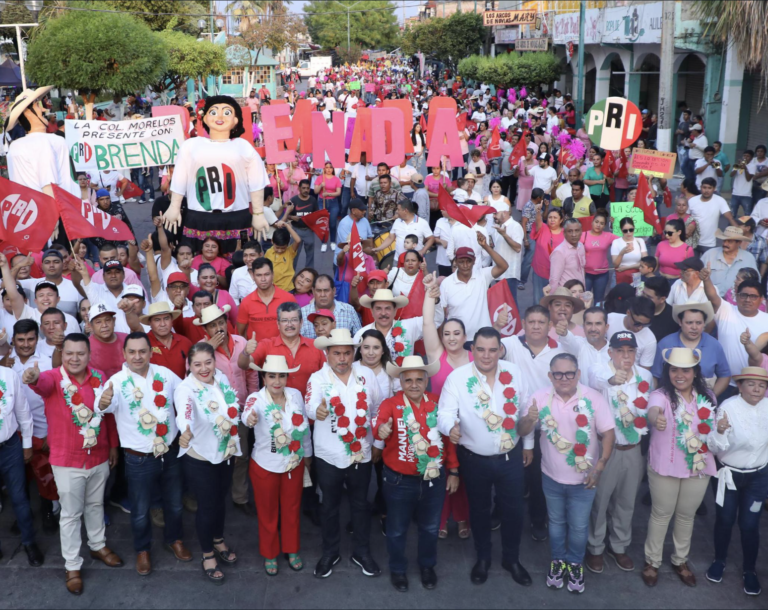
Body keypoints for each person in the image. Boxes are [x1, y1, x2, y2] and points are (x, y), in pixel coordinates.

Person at [26, 333, 122, 595]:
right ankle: (72, 565)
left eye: (81, 353)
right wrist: (33, 378)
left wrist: (113, 445)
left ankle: (98, 545)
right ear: (62, 354)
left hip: (99, 455)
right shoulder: (53, 378)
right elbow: (40, 384)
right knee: (70, 514)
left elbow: (108, 416)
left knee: (95, 504)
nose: (75, 358)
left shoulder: (101, 377)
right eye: (69, 353)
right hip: (67, 459)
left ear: (89, 355)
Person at [437, 327, 532, 586]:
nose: (487, 356)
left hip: (510, 457)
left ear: (501, 350)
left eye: (493, 350)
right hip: (474, 458)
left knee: (513, 512)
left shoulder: (515, 373)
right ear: (472, 350)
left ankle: (511, 559)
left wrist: (529, 445)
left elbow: (527, 410)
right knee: (478, 511)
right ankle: (483, 558)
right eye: (481, 349)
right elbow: (444, 413)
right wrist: (450, 427)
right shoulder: (457, 378)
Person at [520, 353, 615, 593]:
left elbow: (608, 434)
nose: (564, 378)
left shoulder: (593, 398)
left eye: (569, 373)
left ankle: (574, 563)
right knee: (556, 522)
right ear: (550, 376)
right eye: (558, 374)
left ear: (578, 374)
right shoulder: (539, 398)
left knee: (579, 525)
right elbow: (521, 430)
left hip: (585, 479)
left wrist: (600, 467)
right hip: (551, 475)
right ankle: (558, 561)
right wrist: (529, 421)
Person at [95, 332, 189, 575]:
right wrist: (103, 402)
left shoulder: (165, 375)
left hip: (170, 452)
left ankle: (174, 539)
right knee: (139, 511)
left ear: (150, 352)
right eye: (132, 352)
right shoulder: (115, 382)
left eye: (142, 351)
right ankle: (142, 550)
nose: (137, 356)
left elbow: (186, 394)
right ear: (124, 354)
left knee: (175, 504)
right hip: (138, 459)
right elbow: (102, 404)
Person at [374, 356, 459, 592]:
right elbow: (379, 425)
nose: (414, 385)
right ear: (400, 381)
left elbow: (447, 441)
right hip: (399, 481)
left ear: (426, 380)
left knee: (430, 527)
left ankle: (427, 566)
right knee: (397, 528)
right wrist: (381, 429)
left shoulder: (438, 402)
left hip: (435, 479)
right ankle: (398, 569)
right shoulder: (390, 404)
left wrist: (453, 470)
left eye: (419, 380)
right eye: (408, 380)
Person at [305, 329, 382, 579]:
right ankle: (330, 552)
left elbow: (378, 407)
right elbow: (309, 406)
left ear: (354, 353)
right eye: (336, 353)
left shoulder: (367, 375)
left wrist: (378, 442)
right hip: (328, 455)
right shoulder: (317, 379)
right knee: (329, 507)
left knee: (360, 505)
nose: (342, 358)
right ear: (327, 353)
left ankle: (362, 552)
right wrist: (318, 411)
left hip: (362, 453)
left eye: (347, 353)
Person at [642, 348, 716, 587]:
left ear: (695, 372)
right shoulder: (661, 395)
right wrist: (656, 418)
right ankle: (652, 562)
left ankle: (679, 560)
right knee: (661, 514)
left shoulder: (708, 398)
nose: (679, 374)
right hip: (665, 465)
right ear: (668, 371)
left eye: (686, 369)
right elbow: (653, 410)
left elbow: (713, 429)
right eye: (674, 369)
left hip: (698, 466)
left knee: (686, 516)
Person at [163, 96, 270, 253]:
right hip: (198, 217)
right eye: (213, 112)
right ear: (205, 118)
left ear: (235, 120)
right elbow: (180, 178)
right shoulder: (190, 145)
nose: (219, 117)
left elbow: (256, 182)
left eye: (226, 112)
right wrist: (174, 206)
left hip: (236, 217)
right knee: (200, 269)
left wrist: (259, 213)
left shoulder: (243, 146)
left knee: (238, 264)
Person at [173, 343, 242, 586]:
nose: (204, 369)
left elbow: (231, 409)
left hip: (225, 453)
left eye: (208, 362)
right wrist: (186, 430)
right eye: (197, 364)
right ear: (188, 366)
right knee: (207, 506)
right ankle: (208, 554)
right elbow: (186, 412)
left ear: (215, 362)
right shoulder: (186, 388)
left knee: (220, 501)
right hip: (200, 456)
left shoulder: (221, 379)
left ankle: (218, 538)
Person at [585, 332, 653, 574]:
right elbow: (598, 380)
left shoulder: (644, 376)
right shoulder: (599, 370)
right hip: (607, 448)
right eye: (620, 351)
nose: (626, 356)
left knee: (626, 501)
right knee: (600, 500)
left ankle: (619, 546)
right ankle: (594, 548)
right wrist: (614, 379)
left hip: (633, 449)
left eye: (630, 351)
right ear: (610, 352)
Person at [242, 355, 312, 575]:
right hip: (265, 466)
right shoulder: (256, 399)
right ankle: (270, 553)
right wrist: (250, 419)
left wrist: (308, 456)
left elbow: (305, 430)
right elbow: (247, 415)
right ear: (264, 377)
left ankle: (291, 550)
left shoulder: (295, 395)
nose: (277, 381)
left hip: (293, 463)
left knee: (291, 510)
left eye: (281, 376)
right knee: (268, 512)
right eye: (271, 376)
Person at [706, 366, 768, 596]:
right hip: (729, 474)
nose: (757, 389)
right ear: (740, 386)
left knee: (750, 524)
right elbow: (713, 447)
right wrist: (720, 431)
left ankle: (750, 570)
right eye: (751, 384)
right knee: (724, 519)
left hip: (759, 476)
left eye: (762, 385)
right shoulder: (728, 407)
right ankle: (719, 560)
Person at [0, 352, 45, 566]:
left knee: (20, 498)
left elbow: (23, 412)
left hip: (10, 447)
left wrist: (27, 445)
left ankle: (29, 542)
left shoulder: (8, 375)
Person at [700, 266, 768, 400]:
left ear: (761, 299)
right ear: (736, 295)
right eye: (743, 295)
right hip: (723, 382)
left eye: (753, 296)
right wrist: (707, 279)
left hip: (754, 387)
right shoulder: (726, 310)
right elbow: (712, 295)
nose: (748, 300)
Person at [242, 301, 325, 397]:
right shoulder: (266, 345)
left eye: (294, 320)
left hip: (311, 408)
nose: (289, 324)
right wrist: (245, 353)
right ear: (278, 324)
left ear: (301, 322)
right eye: (285, 320)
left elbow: (325, 378)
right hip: (275, 409)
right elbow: (244, 365)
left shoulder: (315, 346)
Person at [237, 258, 297, 342]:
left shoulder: (288, 298)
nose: (263, 279)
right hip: (256, 352)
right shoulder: (246, 302)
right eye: (259, 275)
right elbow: (240, 333)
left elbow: (296, 327)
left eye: (267, 274)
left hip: (283, 351)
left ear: (273, 274)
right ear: (253, 276)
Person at [299, 274, 362, 340]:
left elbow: (359, 338)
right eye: (319, 291)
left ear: (334, 291)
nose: (322, 295)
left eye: (326, 290)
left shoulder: (348, 310)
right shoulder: (302, 313)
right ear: (313, 291)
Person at [700, 227, 758, 296]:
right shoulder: (710, 254)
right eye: (724, 240)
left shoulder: (748, 258)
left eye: (730, 241)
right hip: (710, 298)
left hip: (736, 301)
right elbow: (697, 275)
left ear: (739, 243)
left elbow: (755, 283)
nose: (725, 244)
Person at [688, 177, 738, 255]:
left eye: (709, 188)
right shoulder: (692, 201)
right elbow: (684, 218)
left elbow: (730, 218)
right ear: (701, 187)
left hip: (709, 244)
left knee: (708, 266)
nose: (706, 190)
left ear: (714, 189)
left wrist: (740, 233)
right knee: (692, 266)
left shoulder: (720, 200)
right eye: (704, 187)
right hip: (692, 242)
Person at [606, 297, 658, 369]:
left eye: (645, 325)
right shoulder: (610, 319)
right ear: (628, 312)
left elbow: (644, 371)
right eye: (637, 323)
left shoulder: (650, 340)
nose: (640, 327)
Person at [579, 212, 616, 304]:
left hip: (602, 274)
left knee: (599, 301)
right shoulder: (583, 235)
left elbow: (624, 240)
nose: (598, 225)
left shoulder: (608, 236)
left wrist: (614, 225)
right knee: (583, 300)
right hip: (585, 274)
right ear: (592, 222)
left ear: (604, 226)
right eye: (597, 222)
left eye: (602, 223)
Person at [287, 179, 319, 269]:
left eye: (308, 188)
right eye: (303, 188)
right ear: (299, 189)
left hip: (309, 231)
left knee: (310, 256)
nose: (306, 190)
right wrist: (292, 217)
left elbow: (317, 215)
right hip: (296, 231)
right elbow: (287, 215)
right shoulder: (293, 200)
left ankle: (309, 275)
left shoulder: (313, 200)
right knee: (293, 255)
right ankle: (291, 277)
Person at [549, 219, 585, 292]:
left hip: (579, 293)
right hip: (566, 295)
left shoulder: (581, 246)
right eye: (570, 231)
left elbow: (581, 270)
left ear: (581, 232)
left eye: (577, 230)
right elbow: (554, 280)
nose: (574, 234)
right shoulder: (559, 252)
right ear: (564, 233)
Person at [611, 217, 647, 284]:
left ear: (634, 228)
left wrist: (626, 267)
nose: (628, 233)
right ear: (621, 230)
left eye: (631, 230)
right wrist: (622, 253)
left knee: (636, 294)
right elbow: (615, 264)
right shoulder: (616, 242)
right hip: (620, 275)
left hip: (637, 275)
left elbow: (645, 263)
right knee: (620, 294)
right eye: (625, 231)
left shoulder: (640, 241)